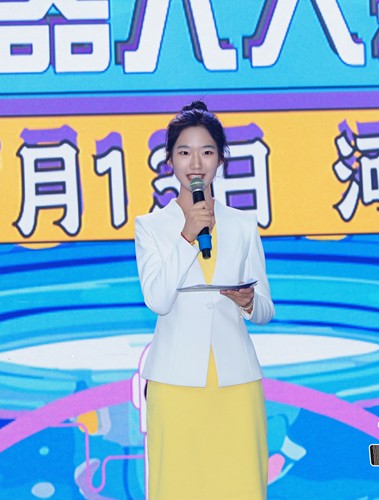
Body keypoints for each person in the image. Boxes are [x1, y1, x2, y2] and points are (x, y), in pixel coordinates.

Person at [134, 100, 275, 499]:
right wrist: (187, 236)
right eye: (184, 152)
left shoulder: (243, 224)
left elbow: (266, 308)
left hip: (237, 383)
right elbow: (158, 300)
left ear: (220, 159)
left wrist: (248, 301)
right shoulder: (151, 227)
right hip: (175, 383)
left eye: (207, 152)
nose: (196, 163)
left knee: (240, 486)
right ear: (169, 160)